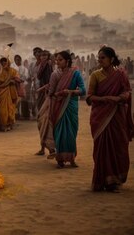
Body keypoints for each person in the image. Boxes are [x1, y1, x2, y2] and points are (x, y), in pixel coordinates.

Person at [86, 47, 133, 192]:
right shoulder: (95, 75)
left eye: (102, 58)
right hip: (100, 117)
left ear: (111, 59)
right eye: (98, 58)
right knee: (102, 148)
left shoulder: (121, 75)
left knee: (119, 146)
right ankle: (102, 180)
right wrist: (105, 98)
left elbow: (127, 91)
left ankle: (114, 180)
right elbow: (89, 97)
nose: (99, 60)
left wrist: (119, 98)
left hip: (117, 116)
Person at [49, 51, 86, 168]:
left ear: (67, 61)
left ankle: (71, 158)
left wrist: (70, 92)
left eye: (60, 60)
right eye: (57, 60)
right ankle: (60, 159)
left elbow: (83, 90)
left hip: (71, 106)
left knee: (71, 134)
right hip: (59, 106)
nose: (57, 62)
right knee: (59, 133)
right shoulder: (55, 74)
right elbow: (52, 93)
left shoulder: (75, 73)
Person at [0, 57, 21, 132]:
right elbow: (0, 83)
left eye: (5, 62)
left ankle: (9, 124)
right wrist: (8, 82)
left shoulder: (13, 71)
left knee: (11, 108)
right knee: (2, 110)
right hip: (2, 92)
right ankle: (4, 124)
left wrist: (13, 81)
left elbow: (17, 79)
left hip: (11, 92)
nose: (4, 64)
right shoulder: (0, 72)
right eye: (2, 62)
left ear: (8, 62)